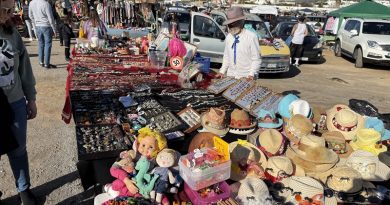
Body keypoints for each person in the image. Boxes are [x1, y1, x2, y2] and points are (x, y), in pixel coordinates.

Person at [0, 0, 38, 204]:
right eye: (4, 10)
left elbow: (24, 67)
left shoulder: (12, 33)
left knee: (18, 149)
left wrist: (30, 98)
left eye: (10, 9)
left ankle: (24, 189)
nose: (9, 14)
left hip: (14, 102)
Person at [216, 7, 261, 80]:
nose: (231, 26)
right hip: (231, 75)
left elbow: (256, 59)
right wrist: (222, 71)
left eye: (234, 23)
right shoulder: (229, 37)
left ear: (241, 21)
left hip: (246, 77)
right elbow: (227, 57)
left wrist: (252, 74)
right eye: (230, 24)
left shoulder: (251, 37)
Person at [29, 0, 57, 69]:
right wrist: (54, 29)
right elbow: (50, 18)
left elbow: (30, 15)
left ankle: (41, 61)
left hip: (38, 25)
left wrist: (35, 22)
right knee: (48, 45)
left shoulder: (32, 2)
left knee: (41, 44)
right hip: (46, 25)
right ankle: (46, 64)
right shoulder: (46, 4)